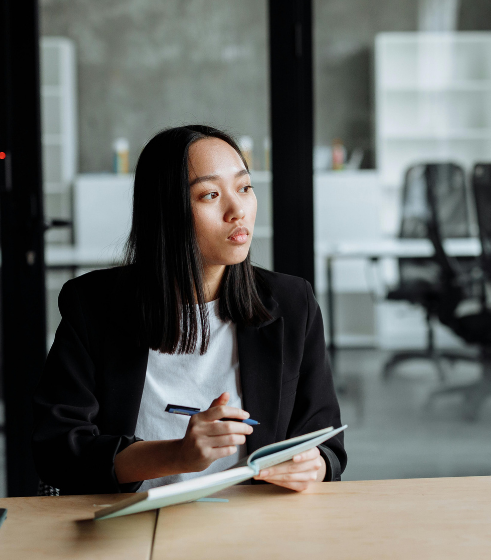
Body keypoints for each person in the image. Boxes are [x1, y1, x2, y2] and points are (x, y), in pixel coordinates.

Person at [32, 125, 346, 495]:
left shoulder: (292, 303)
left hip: (254, 517)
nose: (237, 210)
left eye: (244, 188)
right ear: (165, 210)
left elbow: (326, 441)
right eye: (210, 194)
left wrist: (315, 464)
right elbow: (58, 451)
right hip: (129, 520)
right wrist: (177, 455)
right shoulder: (94, 305)